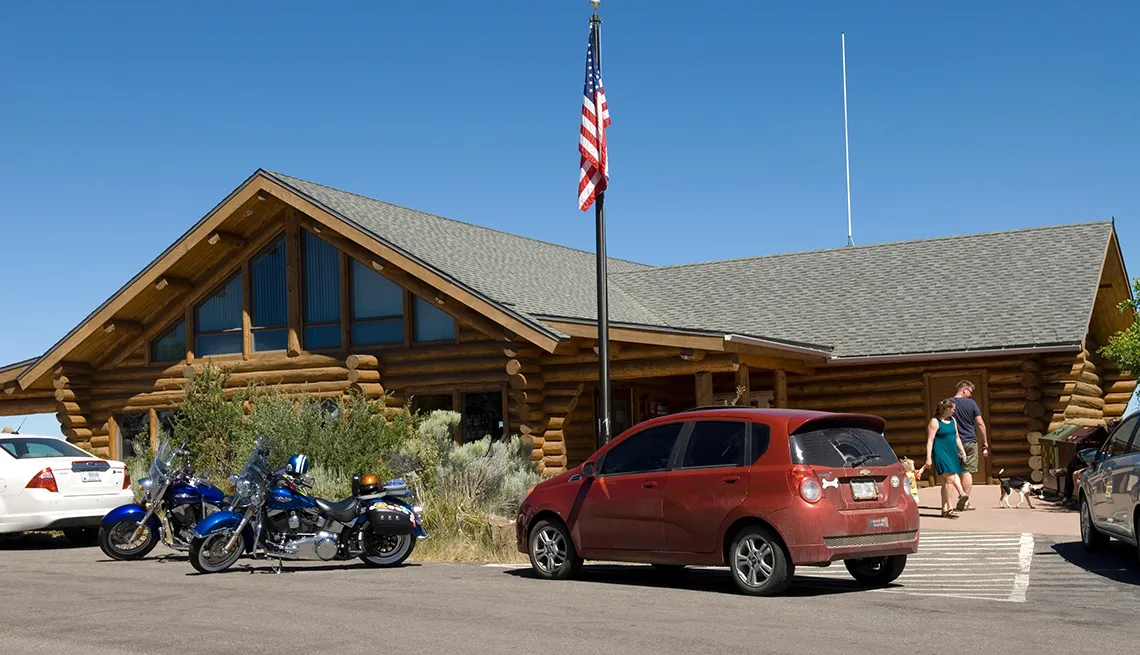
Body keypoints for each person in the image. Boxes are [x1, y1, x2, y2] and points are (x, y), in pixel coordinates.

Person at [948, 381, 989, 511]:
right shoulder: (972, 404)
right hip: (969, 441)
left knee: (952, 471)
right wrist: (984, 442)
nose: (971, 396)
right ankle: (965, 502)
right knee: (966, 471)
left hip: (952, 442)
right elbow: (980, 423)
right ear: (964, 390)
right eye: (970, 392)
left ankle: (949, 503)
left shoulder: (947, 403)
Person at [926, 399, 968, 518]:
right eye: (953, 408)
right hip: (940, 452)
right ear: (947, 409)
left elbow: (957, 437)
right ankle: (950, 508)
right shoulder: (935, 422)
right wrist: (928, 457)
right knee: (950, 478)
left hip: (952, 452)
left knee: (946, 481)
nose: (955, 410)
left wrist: (962, 451)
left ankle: (944, 509)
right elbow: (930, 440)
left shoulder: (952, 420)